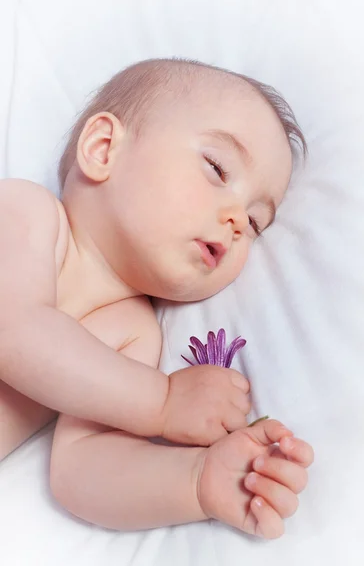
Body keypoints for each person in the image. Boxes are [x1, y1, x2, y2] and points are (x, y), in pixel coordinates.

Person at [0, 58, 313, 539]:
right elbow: (15, 329)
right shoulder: (24, 212)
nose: (235, 220)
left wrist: (196, 480)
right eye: (216, 167)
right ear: (103, 149)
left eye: (254, 223)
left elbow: (80, 470)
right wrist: (162, 402)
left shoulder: (133, 333)